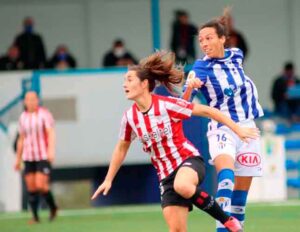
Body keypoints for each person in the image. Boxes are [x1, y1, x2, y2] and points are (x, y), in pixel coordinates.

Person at [92, 51, 260, 232]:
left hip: (188, 160)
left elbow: (209, 111)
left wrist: (238, 129)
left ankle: (228, 222)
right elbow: (121, 148)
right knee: (177, 230)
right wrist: (108, 179)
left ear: (144, 83)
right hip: (165, 176)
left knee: (183, 186)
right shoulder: (129, 118)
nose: (124, 84)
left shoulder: (166, 105)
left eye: (129, 79)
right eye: (124, 80)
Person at [182, 12, 264, 232]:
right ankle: (220, 229)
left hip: (248, 128)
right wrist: (191, 86)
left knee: (240, 198)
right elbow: (182, 104)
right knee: (226, 178)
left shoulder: (236, 55)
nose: (204, 43)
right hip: (222, 127)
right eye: (201, 40)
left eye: (209, 38)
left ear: (222, 39)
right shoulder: (200, 67)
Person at [14, 91, 58, 224]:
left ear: (37, 100)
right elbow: (21, 139)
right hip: (28, 156)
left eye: (33, 99)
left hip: (42, 155)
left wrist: (51, 151)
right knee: (31, 187)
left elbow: (51, 133)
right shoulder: (23, 117)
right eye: (28, 99)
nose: (31, 102)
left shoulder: (44, 114)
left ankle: (53, 208)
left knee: (41, 185)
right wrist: (18, 158)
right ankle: (36, 217)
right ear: (25, 102)